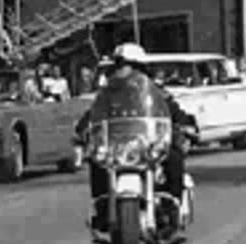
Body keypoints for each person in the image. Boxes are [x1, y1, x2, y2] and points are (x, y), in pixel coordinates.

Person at [75, 42, 195, 232]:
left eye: (129, 64)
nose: (125, 69)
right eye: (120, 64)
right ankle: (103, 208)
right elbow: (93, 113)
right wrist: (83, 129)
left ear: (141, 67)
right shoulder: (108, 93)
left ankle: (173, 205)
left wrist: (186, 124)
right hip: (117, 146)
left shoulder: (156, 91)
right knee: (97, 161)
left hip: (147, 143)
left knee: (174, 156)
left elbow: (173, 109)